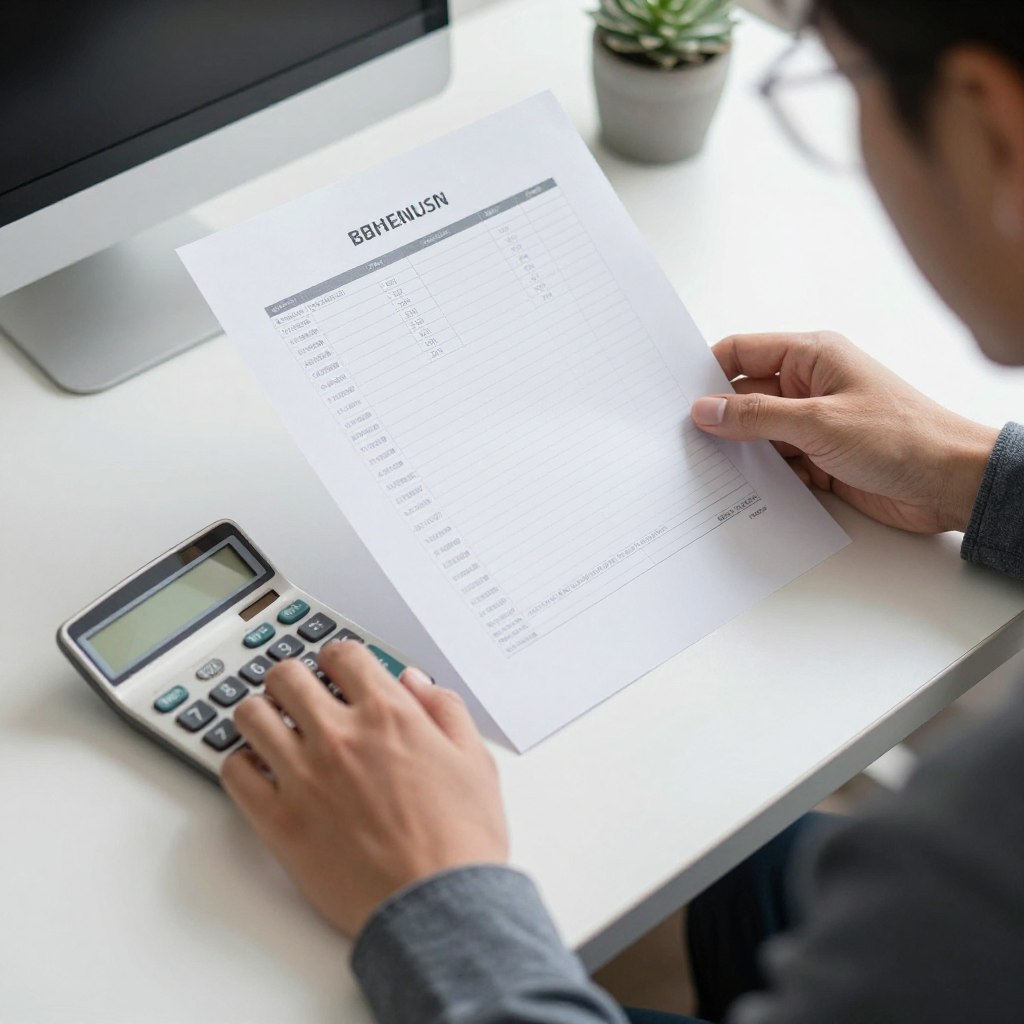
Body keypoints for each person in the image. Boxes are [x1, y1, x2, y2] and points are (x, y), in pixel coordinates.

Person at [220, 1, 1024, 1021]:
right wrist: (973, 473)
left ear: (991, 125)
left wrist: (429, 888)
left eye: (842, 88)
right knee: (744, 845)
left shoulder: (973, 846)